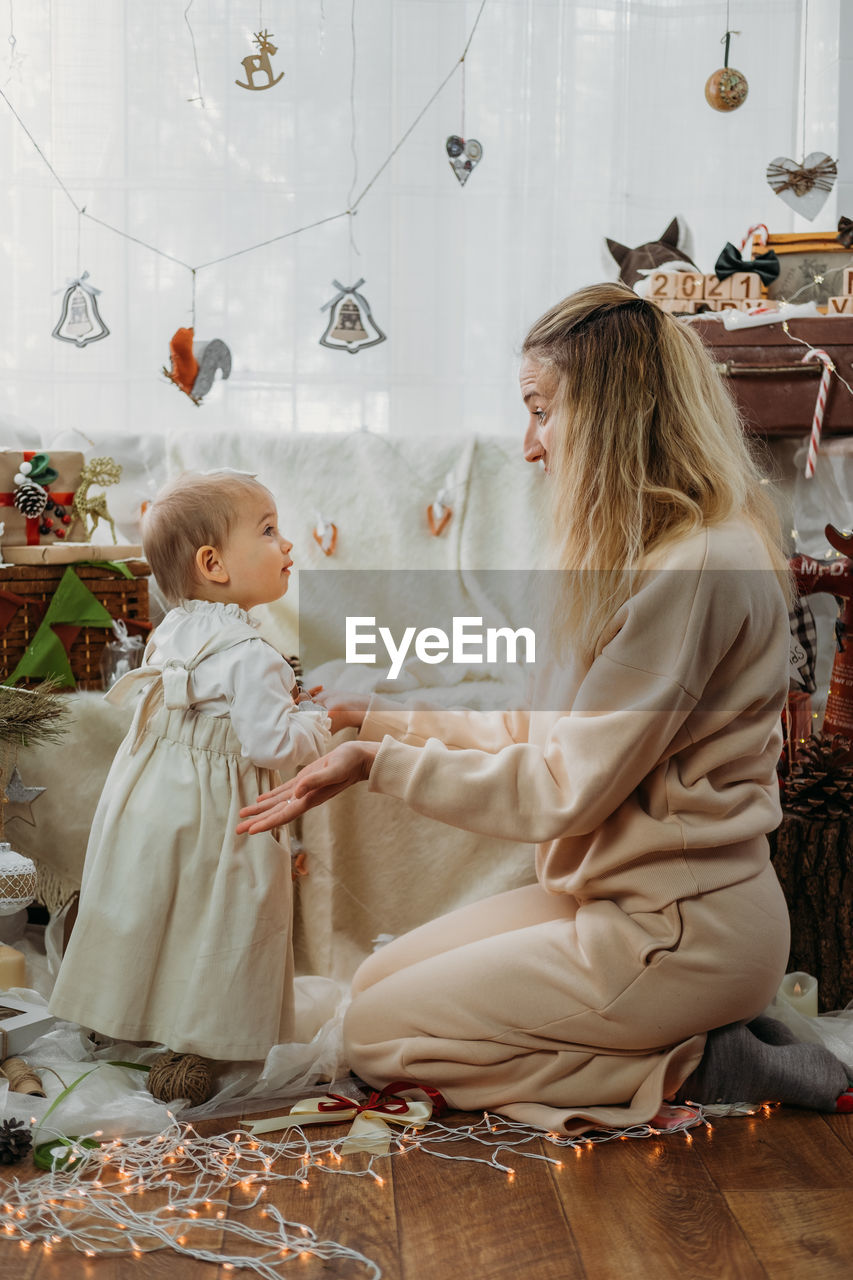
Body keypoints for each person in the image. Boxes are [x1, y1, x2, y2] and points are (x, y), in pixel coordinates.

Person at [237, 284, 851, 1133]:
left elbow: (562, 789)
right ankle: (673, 1040)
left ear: (610, 414)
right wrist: (372, 717)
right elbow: (539, 733)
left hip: (677, 929)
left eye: (541, 412)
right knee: (370, 989)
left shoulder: (698, 569)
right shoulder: (647, 554)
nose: (528, 447)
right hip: (614, 901)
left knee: (375, 1039)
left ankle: (696, 1059)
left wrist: (379, 765)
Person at [50, 470, 331, 1084]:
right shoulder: (252, 656)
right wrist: (314, 718)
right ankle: (200, 1040)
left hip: (148, 797)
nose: (286, 545)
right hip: (217, 814)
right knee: (222, 917)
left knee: (146, 903)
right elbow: (272, 744)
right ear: (214, 563)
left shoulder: (175, 629)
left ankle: (115, 1012)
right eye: (268, 530)